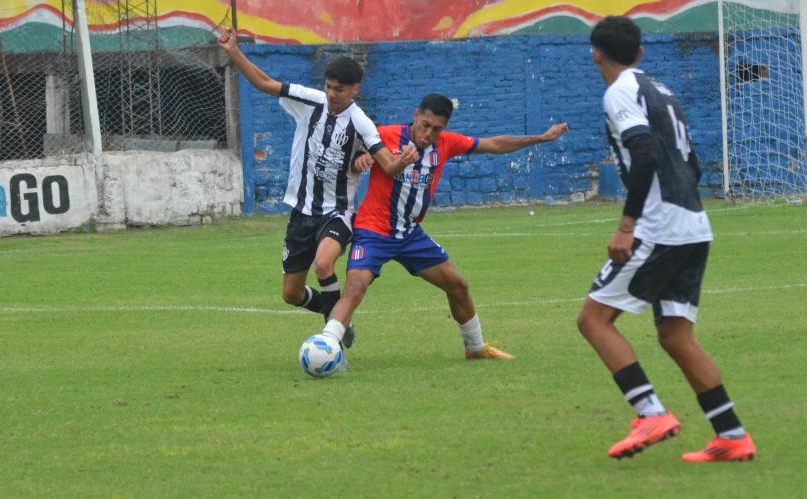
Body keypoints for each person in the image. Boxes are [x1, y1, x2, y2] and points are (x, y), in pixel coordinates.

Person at [576, 16, 756, 462]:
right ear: (639, 53)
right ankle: (732, 436)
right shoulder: (663, 92)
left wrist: (628, 224)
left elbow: (645, 150)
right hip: (693, 224)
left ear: (595, 53)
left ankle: (650, 412)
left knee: (593, 320)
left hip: (659, 227)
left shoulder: (620, 92)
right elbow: (690, 164)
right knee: (676, 336)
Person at [318, 92, 568, 360]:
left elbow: (494, 144)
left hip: (410, 235)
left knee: (457, 284)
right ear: (416, 115)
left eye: (437, 129)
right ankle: (325, 345)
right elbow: (353, 157)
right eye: (425, 125)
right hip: (373, 231)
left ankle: (475, 348)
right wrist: (360, 161)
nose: (428, 134)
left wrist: (540, 138)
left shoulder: (447, 144)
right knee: (355, 288)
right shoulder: (384, 135)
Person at [218, 28, 419, 345]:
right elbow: (264, 83)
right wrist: (234, 52)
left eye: (339, 89)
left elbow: (388, 165)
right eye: (328, 87)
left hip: (336, 212)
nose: (331, 94)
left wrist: (404, 160)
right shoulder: (310, 103)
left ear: (355, 89)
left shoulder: (361, 122)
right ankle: (337, 314)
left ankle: (334, 333)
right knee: (291, 294)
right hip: (301, 213)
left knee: (324, 264)